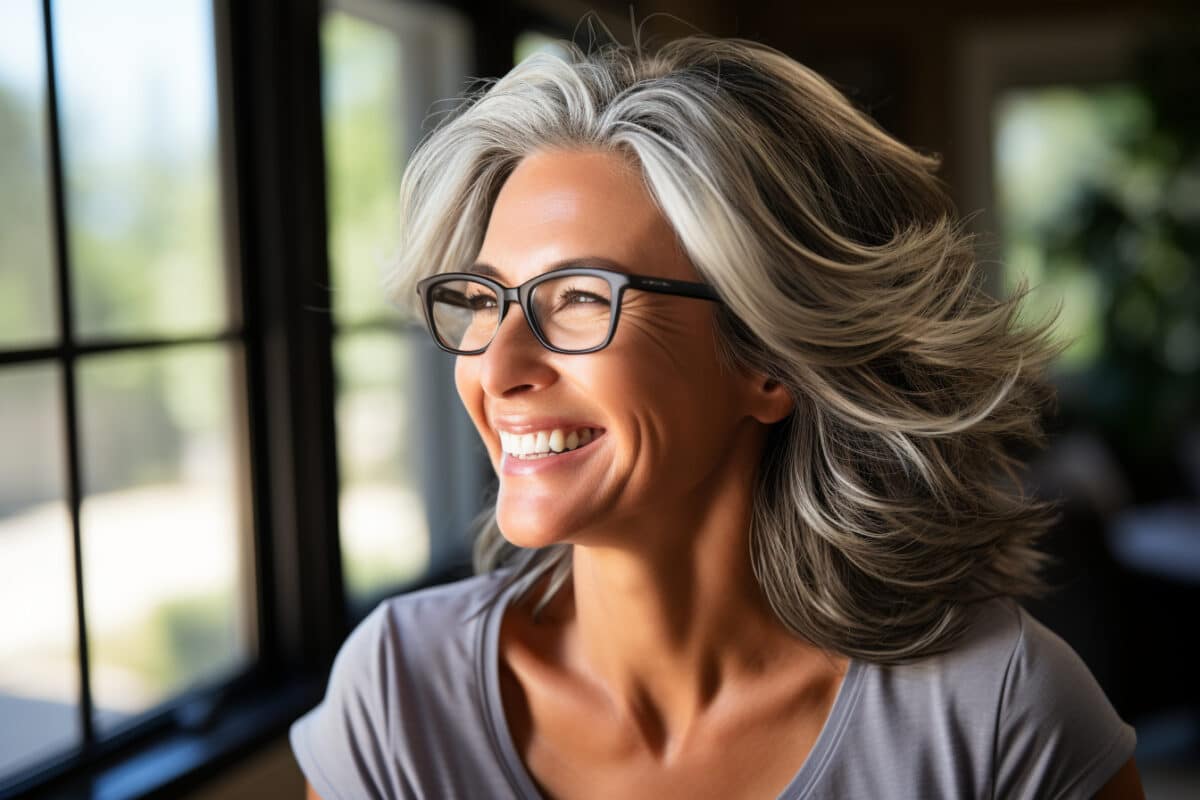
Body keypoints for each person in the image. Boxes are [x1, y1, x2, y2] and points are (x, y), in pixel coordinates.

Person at [290, 33, 1143, 799]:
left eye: (582, 297)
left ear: (768, 360)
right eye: (482, 299)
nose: (496, 368)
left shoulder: (999, 714)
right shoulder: (397, 698)